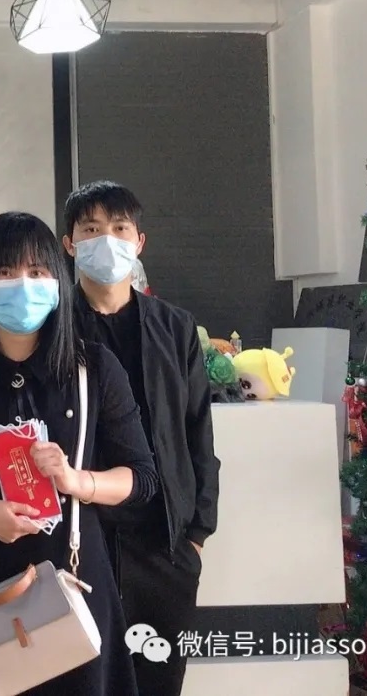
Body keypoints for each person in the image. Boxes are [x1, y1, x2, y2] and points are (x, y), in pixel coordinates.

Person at [0, 211, 158, 696]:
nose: (21, 284)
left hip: (71, 577)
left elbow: (142, 478)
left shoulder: (93, 368)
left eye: (37, 271)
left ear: (58, 282)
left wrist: (76, 481)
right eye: (4, 272)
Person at [63, 180, 219, 696]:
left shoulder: (175, 327)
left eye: (118, 228)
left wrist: (196, 535)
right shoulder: (56, 328)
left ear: (139, 242)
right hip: (82, 538)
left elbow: (197, 432)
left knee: (157, 681)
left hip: (163, 541)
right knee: (84, 680)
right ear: (70, 244)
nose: (106, 240)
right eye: (90, 229)